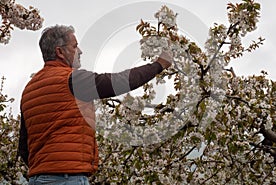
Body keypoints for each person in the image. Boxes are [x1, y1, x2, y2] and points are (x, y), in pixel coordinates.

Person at [18, 25, 172, 185]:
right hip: (67, 177)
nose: (80, 51)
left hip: (38, 178)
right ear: (60, 52)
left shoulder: (29, 89)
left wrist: (46, 166)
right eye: (75, 46)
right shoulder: (72, 79)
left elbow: (24, 146)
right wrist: (158, 65)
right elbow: (119, 82)